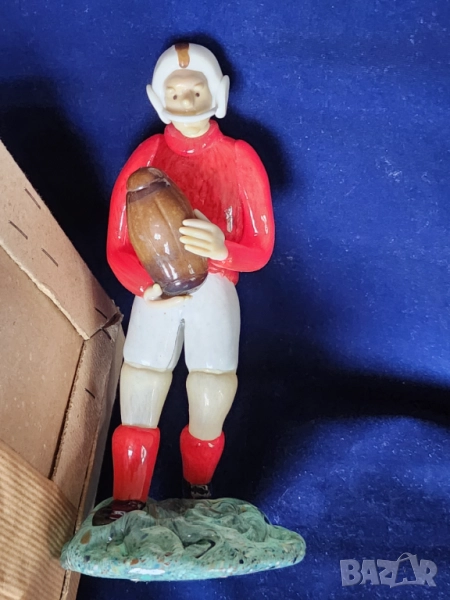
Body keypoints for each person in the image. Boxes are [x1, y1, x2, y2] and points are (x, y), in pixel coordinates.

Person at [94, 43, 274, 526]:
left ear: (219, 94)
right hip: (156, 290)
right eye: (175, 93)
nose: (186, 101)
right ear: (157, 99)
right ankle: (128, 497)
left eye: (196, 91)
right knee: (140, 381)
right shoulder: (148, 156)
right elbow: (118, 244)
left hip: (215, 286)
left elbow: (260, 248)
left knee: (213, 386)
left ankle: (199, 491)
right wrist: (142, 282)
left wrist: (221, 248)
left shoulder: (239, 158)